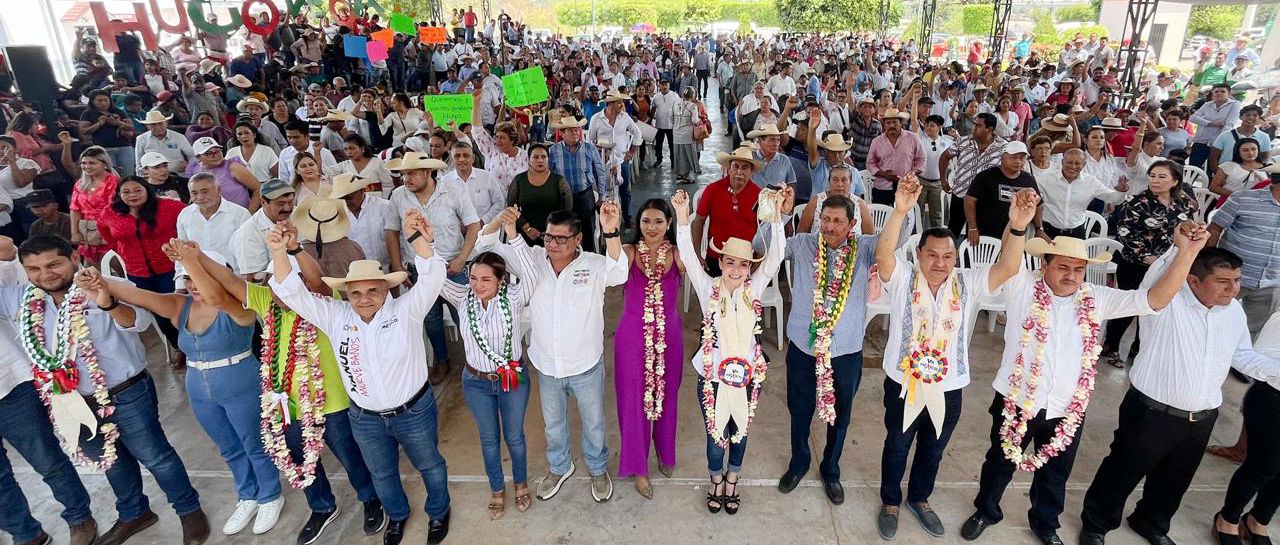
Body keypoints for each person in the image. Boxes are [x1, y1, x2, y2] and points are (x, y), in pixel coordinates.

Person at [959, 224, 1205, 545]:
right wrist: (1017, 225)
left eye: (1079, 269)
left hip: (1068, 407)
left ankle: (1046, 524)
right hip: (1017, 399)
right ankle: (986, 511)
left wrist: (1187, 252)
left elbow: (1155, 300)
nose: (1072, 275)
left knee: (1056, 472)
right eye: (1063, 267)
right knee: (1000, 462)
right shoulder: (1021, 284)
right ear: (1044, 265)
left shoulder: (1096, 298)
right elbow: (1008, 260)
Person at [0, 236, 209, 545]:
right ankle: (134, 513)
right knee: (111, 462)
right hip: (72, 402)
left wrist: (107, 301)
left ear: (74, 257)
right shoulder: (21, 299)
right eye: (34, 269)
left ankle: (189, 510)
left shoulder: (106, 283)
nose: (45, 274)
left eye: (54, 264)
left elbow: (139, 323)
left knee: (156, 456)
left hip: (126, 392)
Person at [268, 211, 453, 545]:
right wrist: (280, 252)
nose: (364, 298)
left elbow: (433, 275)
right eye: (356, 293)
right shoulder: (335, 316)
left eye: (372, 290)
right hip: (365, 419)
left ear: (386, 289)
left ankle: (439, 512)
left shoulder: (407, 310)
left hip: (413, 411)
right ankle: (397, 516)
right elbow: (292, 292)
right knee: (382, 473)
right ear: (347, 294)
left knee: (430, 466)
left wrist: (416, 237)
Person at [1081, 238, 1280, 545]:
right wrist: (1181, 247)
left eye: (1237, 280)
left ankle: (1151, 524)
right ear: (1193, 280)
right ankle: (1097, 524)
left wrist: (1275, 371)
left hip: (1201, 417)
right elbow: (1157, 274)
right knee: (1122, 470)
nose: (1233, 289)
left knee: (1174, 479)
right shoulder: (1166, 301)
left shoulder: (1233, 313)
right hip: (1152, 412)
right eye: (1223, 281)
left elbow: (1241, 355)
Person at [85, 244, 289, 537]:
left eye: (199, 277)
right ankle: (248, 495)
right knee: (228, 447)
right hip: (199, 386)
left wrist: (193, 260)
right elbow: (138, 295)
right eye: (187, 279)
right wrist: (96, 279)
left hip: (240, 381)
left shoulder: (238, 305)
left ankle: (270, 495)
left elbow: (216, 297)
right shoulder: (181, 306)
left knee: (254, 443)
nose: (193, 285)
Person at [873, 178, 1036, 540]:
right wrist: (899, 211)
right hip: (903, 384)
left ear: (956, 258)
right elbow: (884, 255)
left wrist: (1018, 227)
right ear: (919, 254)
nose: (940, 262)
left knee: (934, 449)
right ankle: (890, 501)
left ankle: (919, 498)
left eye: (947, 256)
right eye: (932, 255)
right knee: (897, 446)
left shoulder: (968, 282)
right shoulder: (903, 277)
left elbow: (1008, 267)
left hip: (949, 387)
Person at [473, 202, 627, 503]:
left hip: (585, 364)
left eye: (561, 238)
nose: (552, 244)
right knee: (553, 426)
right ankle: (560, 466)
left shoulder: (594, 265)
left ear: (577, 239)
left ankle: (597, 468)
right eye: (548, 237)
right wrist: (498, 222)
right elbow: (486, 247)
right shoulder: (530, 259)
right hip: (547, 365)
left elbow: (619, 273)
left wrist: (611, 232)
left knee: (594, 423)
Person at [672, 185, 787, 514]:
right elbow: (689, 257)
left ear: (750, 267)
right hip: (712, 377)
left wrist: (777, 218)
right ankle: (715, 479)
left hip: (747, 376)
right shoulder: (708, 287)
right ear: (720, 262)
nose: (736, 269)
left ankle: (733, 478)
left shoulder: (754, 289)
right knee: (715, 434)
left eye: (743, 264)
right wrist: (682, 218)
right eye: (730, 262)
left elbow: (776, 256)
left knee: (740, 431)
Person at [0, 235, 99, 545]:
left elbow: (5, 246)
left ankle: (79, 517)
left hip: (10, 385)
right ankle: (25, 533)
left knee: (47, 460)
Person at [440, 248, 534, 519]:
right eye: (473, 278)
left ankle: (520, 484)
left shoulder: (514, 297)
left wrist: (512, 234)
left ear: (501, 280)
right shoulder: (462, 297)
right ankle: (496, 489)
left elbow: (531, 274)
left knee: (514, 437)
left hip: (512, 378)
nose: (477, 285)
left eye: (486, 279)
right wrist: (423, 242)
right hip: (476, 382)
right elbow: (433, 277)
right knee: (489, 439)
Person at [614, 199, 684, 499]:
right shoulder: (629, 252)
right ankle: (638, 468)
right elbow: (613, 265)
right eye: (645, 221)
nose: (651, 227)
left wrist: (685, 218)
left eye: (658, 221)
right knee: (634, 401)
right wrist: (610, 231)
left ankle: (665, 453)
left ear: (668, 224)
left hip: (669, 336)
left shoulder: (678, 254)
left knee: (668, 396)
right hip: (632, 338)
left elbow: (694, 267)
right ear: (637, 224)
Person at [1212, 309, 1280, 545]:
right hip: (1272, 400)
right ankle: (1227, 519)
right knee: (1263, 467)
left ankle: (1258, 520)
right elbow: (1252, 359)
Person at [1208, 169, 1280, 337]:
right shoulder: (1243, 199)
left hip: (1272, 281)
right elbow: (1215, 228)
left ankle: (1237, 355)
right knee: (1211, 319)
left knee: (1253, 331)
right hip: (1231, 275)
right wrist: (1208, 264)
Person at [939, 113, 1007, 238]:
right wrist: (943, 180)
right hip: (961, 195)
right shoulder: (963, 141)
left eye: (978, 126)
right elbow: (945, 157)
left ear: (989, 129)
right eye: (974, 125)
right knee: (953, 231)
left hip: (985, 200)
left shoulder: (1003, 147)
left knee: (976, 235)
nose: (973, 128)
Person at [963, 142, 1043, 246]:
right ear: (1003, 158)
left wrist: (1039, 228)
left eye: (1022, 158)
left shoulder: (1028, 179)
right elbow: (969, 200)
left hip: (1014, 236)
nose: (1018, 161)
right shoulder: (985, 176)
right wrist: (972, 228)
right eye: (1013, 157)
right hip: (984, 235)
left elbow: (1038, 205)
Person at [1036, 149, 1127, 239]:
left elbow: (1114, 199)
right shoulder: (1046, 178)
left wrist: (1121, 191)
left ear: (1084, 164)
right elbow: (1032, 194)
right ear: (1062, 162)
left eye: (1077, 163)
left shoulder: (1091, 182)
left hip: (1077, 233)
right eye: (1069, 162)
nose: (1073, 166)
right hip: (1049, 232)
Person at [547, 117, 607, 248]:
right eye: (571, 130)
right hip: (563, 197)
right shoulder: (553, 151)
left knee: (588, 230)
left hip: (585, 195)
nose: (575, 133)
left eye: (577, 130)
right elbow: (549, 175)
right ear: (562, 133)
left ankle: (589, 255)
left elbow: (600, 172)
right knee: (565, 231)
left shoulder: (589, 148)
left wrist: (602, 196)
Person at [333, 173, 402, 275]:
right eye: (341, 199)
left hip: (385, 270)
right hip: (352, 273)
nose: (346, 202)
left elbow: (399, 237)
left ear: (362, 190)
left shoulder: (385, 207)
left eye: (349, 198)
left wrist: (397, 264)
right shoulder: (336, 214)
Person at [176, 173, 252, 264]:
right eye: (194, 193)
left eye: (205, 192)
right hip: (197, 271)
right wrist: (180, 272)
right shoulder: (185, 214)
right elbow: (182, 249)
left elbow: (249, 249)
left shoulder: (240, 214)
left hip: (232, 271)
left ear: (218, 190)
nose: (200, 197)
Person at [506, 143, 573, 246]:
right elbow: (511, 207)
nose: (540, 160)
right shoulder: (519, 180)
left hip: (555, 234)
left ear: (548, 159)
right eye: (535, 157)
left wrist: (552, 231)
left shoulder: (559, 181)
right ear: (529, 160)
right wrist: (526, 228)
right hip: (524, 232)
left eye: (544, 157)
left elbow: (567, 210)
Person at [230, 178, 295, 278]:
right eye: (280, 204)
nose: (287, 208)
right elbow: (252, 278)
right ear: (263, 202)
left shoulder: (296, 215)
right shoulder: (248, 233)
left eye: (290, 202)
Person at [69, 146, 120, 264]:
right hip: (86, 231)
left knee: (112, 266)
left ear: (105, 164)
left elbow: (114, 210)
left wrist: (101, 231)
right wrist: (75, 232)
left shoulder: (114, 182)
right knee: (91, 268)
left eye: (92, 163)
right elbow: (75, 209)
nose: (86, 166)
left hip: (109, 230)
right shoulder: (80, 184)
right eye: (83, 163)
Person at [866, 108, 925, 205]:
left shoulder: (913, 138)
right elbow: (870, 163)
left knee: (905, 214)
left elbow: (921, 158)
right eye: (888, 123)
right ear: (884, 125)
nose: (892, 125)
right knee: (881, 214)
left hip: (906, 186)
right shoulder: (876, 141)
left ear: (901, 123)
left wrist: (913, 173)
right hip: (882, 187)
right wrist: (882, 174)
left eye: (895, 122)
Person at [185, 137, 261, 211]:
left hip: (239, 215)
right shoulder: (195, 170)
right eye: (208, 153)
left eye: (217, 151)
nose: (215, 155)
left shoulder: (233, 167)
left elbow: (258, 189)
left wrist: (249, 213)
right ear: (198, 157)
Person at [440, 142, 504, 224]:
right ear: (452, 160)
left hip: (485, 228)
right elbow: (442, 208)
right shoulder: (445, 182)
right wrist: (457, 224)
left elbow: (499, 202)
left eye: (466, 155)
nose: (462, 159)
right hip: (456, 230)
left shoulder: (487, 177)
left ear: (473, 158)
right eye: (457, 156)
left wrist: (483, 221)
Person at [79, 90, 137, 177]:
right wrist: (99, 123)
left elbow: (131, 127)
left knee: (128, 174)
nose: (103, 103)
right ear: (93, 101)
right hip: (104, 148)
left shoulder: (117, 111)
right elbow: (83, 130)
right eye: (99, 100)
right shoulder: (88, 113)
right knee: (110, 175)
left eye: (106, 100)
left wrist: (118, 123)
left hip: (124, 146)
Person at [1209, 138, 1270, 207]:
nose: (1250, 153)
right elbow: (1213, 187)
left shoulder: (1268, 167)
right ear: (1238, 152)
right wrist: (1237, 196)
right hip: (1230, 203)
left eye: (1253, 149)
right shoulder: (1228, 166)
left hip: (1258, 205)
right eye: (1245, 150)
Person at [134, 110, 195, 176]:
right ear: (147, 126)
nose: (157, 127)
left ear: (166, 123)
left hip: (179, 176)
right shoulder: (141, 139)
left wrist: (188, 166)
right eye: (153, 124)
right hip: (154, 178)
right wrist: (142, 179)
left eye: (160, 123)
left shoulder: (179, 137)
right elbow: (139, 165)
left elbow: (193, 156)